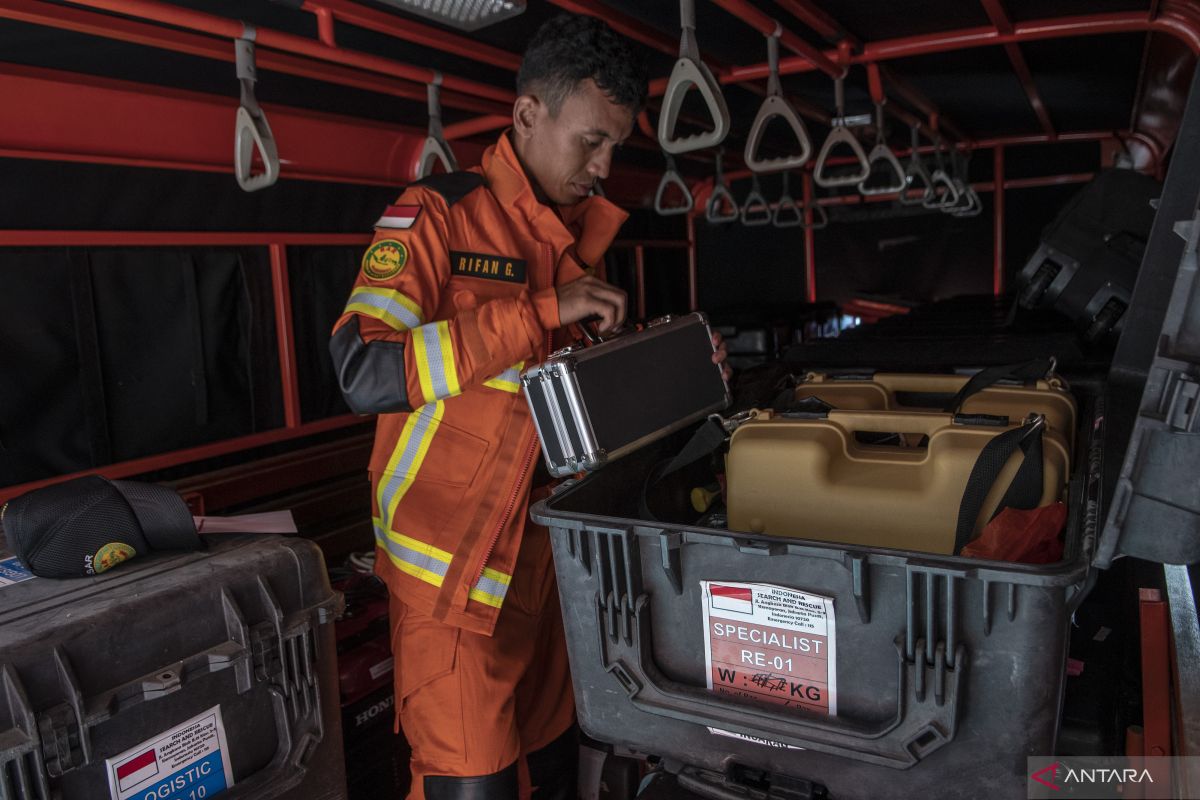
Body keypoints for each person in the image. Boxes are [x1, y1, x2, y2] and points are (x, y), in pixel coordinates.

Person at [331, 14, 728, 799]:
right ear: (525, 116)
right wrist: (537, 309)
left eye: (616, 144)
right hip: (453, 588)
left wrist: (675, 376)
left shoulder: (577, 247)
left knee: (550, 776)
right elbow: (363, 369)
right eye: (591, 141)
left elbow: (574, 413)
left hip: (552, 576)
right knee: (472, 787)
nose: (605, 165)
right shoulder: (434, 217)